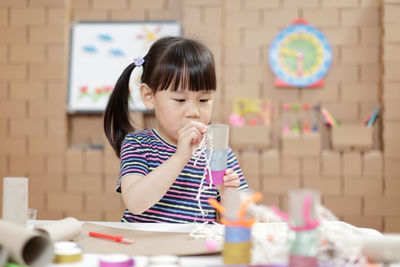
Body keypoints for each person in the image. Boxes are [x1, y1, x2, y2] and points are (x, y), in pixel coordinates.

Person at [104, 36, 248, 223]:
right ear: (149, 96)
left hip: (195, 249)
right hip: (147, 249)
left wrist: (229, 196)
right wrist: (180, 157)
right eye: (180, 100)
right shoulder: (138, 144)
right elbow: (135, 203)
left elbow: (241, 220)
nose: (194, 112)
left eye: (204, 100)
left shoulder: (220, 153)